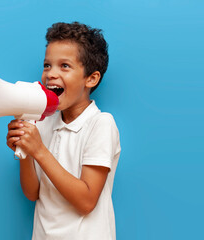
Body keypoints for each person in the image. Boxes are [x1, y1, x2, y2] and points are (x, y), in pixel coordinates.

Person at [6, 22, 121, 240]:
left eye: (64, 66)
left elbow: (86, 202)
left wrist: (39, 150)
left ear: (91, 78)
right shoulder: (44, 122)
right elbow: (33, 193)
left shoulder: (101, 124)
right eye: (47, 65)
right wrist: (25, 151)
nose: (51, 74)